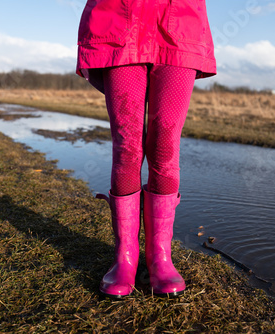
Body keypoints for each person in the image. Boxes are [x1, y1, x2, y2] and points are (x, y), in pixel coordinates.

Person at [76, 0, 216, 298]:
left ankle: (159, 258)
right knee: (127, 145)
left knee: (165, 143)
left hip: (179, 26)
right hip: (119, 22)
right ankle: (125, 259)